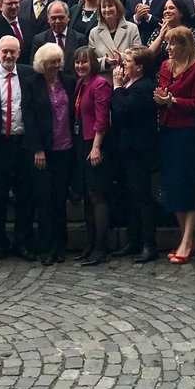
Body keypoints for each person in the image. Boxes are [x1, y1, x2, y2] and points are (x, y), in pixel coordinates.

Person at [0, 35, 36, 261]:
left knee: (25, 196)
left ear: (19, 53)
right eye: (5, 51)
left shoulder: (30, 75)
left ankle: (23, 242)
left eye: (13, 51)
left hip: (23, 144)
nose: (9, 55)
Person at [154, 26, 195, 265]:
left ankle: (187, 240)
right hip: (166, 130)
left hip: (187, 131)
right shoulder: (165, 66)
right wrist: (162, 99)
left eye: (173, 44)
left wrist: (172, 100)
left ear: (184, 45)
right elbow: (160, 92)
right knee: (172, 184)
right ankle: (186, 236)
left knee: (187, 184)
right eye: (167, 44)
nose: (168, 48)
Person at [23, 43, 75, 266]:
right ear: (41, 64)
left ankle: (61, 246)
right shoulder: (32, 83)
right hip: (43, 150)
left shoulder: (69, 81)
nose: (54, 66)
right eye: (50, 62)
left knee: (60, 199)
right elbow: (29, 117)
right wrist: (37, 148)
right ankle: (46, 248)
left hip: (65, 148)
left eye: (57, 61)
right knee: (44, 200)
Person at [109, 46, 160, 264]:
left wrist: (117, 87)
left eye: (128, 61)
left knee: (142, 197)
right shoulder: (133, 84)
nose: (124, 64)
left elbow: (123, 109)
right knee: (130, 196)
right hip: (126, 148)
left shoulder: (144, 87)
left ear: (139, 67)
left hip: (140, 150)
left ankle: (149, 243)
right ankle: (133, 240)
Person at [72, 46, 114, 266]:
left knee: (97, 195)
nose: (80, 66)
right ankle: (89, 244)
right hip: (81, 140)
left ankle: (100, 246)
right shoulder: (81, 84)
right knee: (87, 196)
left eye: (85, 62)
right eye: (77, 62)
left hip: (95, 142)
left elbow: (101, 119)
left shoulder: (100, 84)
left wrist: (96, 147)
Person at [87, 0, 141, 72]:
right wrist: (105, 62)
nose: (107, 9)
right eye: (103, 7)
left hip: (127, 77)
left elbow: (139, 55)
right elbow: (91, 61)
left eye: (110, 6)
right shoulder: (94, 32)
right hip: (103, 80)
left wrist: (122, 57)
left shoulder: (132, 28)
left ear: (117, 8)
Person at [30, 0, 88, 75]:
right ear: (48, 19)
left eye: (61, 17)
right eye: (53, 18)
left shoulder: (80, 39)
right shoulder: (39, 40)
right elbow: (35, 68)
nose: (57, 21)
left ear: (68, 17)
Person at [146, 0, 195, 64]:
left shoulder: (191, 32)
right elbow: (148, 55)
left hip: (184, 69)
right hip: (158, 71)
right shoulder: (158, 31)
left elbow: (194, 54)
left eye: (171, 8)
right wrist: (161, 36)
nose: (167, 11)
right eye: (165, 9)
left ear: (181, 13)